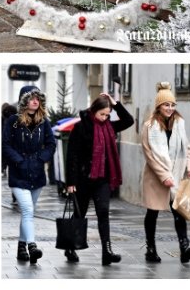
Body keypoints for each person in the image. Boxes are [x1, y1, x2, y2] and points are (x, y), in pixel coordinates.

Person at [65, 92, 134, 266]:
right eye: (102, 114)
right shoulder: (81, 127)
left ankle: (107, 251)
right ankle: (70, 246)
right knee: (79, 213)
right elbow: (72, 155)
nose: (104, 118)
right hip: (83, 179)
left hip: (103, 179)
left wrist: (115, 103)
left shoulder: (110, 126)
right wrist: (71, 182)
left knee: (103, 212)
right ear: (93, 110)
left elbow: (129, 121)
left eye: (107, 115)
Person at [2, 86, 55, 264]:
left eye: (38, 98)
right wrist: (19, 161)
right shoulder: (14, 121)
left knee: (27, 213)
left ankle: (20, 248)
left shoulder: (43, 122)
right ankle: (32, 245)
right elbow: (6, 144)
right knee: (27, 210)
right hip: (19, 173)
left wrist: (41, 160)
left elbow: (51, 144)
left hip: (37, 174)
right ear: (24, 101)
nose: (35, 101)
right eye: (31, 98)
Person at [141, 82, 190, 263]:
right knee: (152, 213)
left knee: (179, 212)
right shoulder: (150, 126)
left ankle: (184, 247)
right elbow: (149, 154)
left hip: (177, 174)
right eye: (166, 104)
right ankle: (150, 249)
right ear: (158, 106)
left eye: (172, 105)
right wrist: (164, 176)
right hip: (156, 177)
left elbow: (186, 146)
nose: (170, 108)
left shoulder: (179, 123)